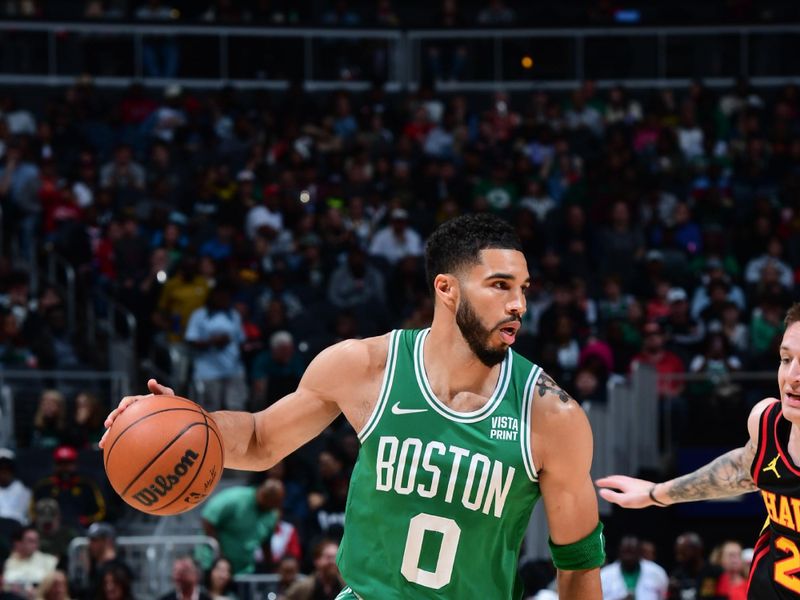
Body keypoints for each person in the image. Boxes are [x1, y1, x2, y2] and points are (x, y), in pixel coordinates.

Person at [103, 214, 604, 598]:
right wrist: (192, 424)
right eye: (500, 286)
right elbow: (259, 440)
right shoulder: (363, 367)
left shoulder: (550, 416)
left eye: (522, 290)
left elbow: (578, 564)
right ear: (446, 289)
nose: (518, 304)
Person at [597, 302, 800, 598]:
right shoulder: (767, 421)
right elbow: (743, 468)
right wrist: (656, 493)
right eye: (786, 359)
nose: (792, 375)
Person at [197, 479, 280, 575]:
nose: (270, 507)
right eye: (269, 501)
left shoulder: (271, 514)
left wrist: (271, 569)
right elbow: (208, 519)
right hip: (215, 566)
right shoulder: (236, 499)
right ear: (262, 493)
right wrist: (220, 555)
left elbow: (266, 542)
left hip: (243, 570)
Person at [599, 536, 668, 600]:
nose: (629, 557)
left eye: (632, 552)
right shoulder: (604, 575)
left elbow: (664, 597)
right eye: (625, 552)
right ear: (619, 551)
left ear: (639, 552)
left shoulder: (657, 572)